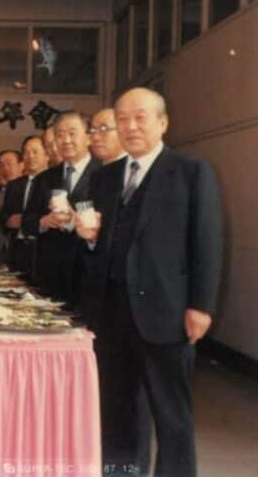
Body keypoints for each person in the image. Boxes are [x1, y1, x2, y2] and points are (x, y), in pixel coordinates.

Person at [75, 88, 222, 477]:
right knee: (117, 410)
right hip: (111, 315)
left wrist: (202, 306)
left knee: (172, 416)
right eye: (122, 119)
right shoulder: (105, 177)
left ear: (163, 122)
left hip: (167, 313)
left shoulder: (190, 172)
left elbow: (207, 240)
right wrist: (90, 240)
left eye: (140, 117)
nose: (131, 126)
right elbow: (100, 244)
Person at [22, 111, 101, 304]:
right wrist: (44, 221)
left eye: (72, 133)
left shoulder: (105, 175)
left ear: (88, 137)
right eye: (59, 135)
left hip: (87, 275)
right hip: (49, 275)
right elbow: (27, 221)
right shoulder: (44, 178)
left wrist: (75, 220)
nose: (66, 140)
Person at [0, 135, 48, 276]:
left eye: (35, 152)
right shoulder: (14, 185)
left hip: (43, 249)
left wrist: (28, 221)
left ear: (47, 155)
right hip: (18, 248)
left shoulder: (54, 182)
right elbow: (3, 216)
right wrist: (8, 221)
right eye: (26, 152)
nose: (30, 156)